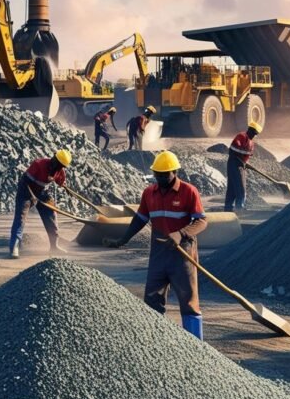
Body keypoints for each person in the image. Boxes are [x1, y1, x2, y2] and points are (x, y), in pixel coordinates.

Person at [105, 151, 208, 339]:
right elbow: (139, 219)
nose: (160, 178)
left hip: (182, 255)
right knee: (152, 300)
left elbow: (201, 221)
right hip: (159, 254)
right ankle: (155, 343)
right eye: (157, 174)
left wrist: (181, 234)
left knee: (189, 301)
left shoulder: (188, 191)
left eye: (164, 174)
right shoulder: (149, 193)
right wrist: (123, 239)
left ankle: (197, 346)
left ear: (175, 172)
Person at [9, 150, 72, 259]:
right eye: (58, 164)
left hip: (42, 191)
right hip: (26, 190)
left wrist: (66, 188)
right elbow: (26, 182)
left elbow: (60, 181)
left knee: (51, 214)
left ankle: (54, 246)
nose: (58, 168)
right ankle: (14, 247)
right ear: (54, 159)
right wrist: (32, 196)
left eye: (61, 166)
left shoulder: (59, 171)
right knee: (20, 218)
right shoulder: (38, 164)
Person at [225, 122, 262, 212]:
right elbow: (233, 148)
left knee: (233, 188)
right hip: (234, 164)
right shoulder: (241, 136)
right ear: (249, 130)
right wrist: (245, 155)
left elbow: (247, 155)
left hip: (240, 165)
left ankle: (228, 208)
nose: (253, 135)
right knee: (241, 189)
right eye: (253, 133)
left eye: (255, 134)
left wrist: (245, 160)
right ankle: (239, 208)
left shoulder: (251, 142)